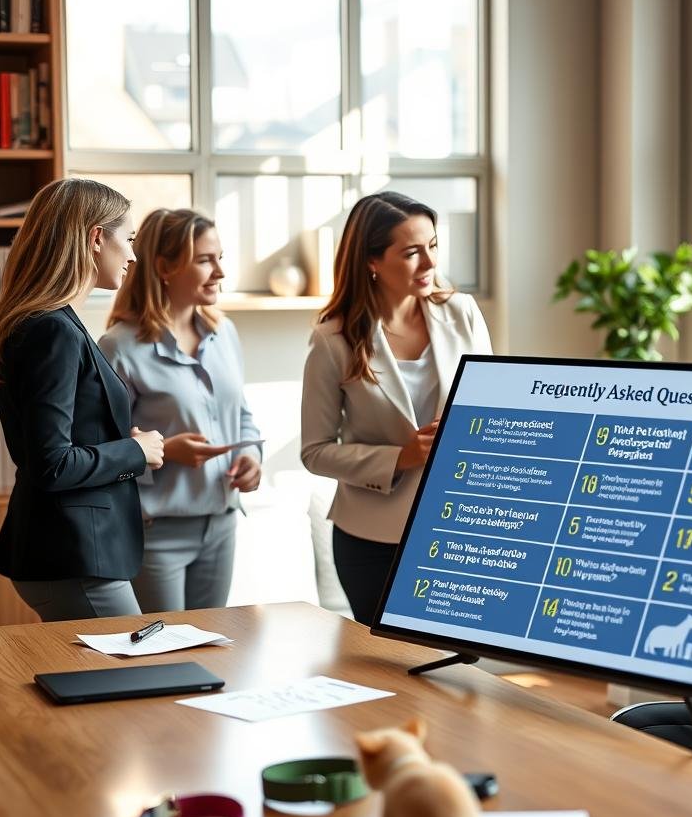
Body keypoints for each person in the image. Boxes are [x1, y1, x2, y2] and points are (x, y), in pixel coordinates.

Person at [0, 178, 165, 620]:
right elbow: (51, 462)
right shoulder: (53, 330)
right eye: (130, 239)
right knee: (129, 682)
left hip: (67, 551)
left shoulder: (44, 323)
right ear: (97, 237)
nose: (134, 255)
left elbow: (62, 436)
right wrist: (133, 451)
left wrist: (119, 440)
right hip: (74, 555)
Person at [301, 191, 493, 625]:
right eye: (411, 252)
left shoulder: (462, 313)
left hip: (460, 530)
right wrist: (400, 458)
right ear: (372, 260)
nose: (429, 264)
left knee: (461, 670)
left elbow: (492, 413)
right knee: (394, 675)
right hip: (372, 541)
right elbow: (314, 451)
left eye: (433, 246)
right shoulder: (334, 338)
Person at [99, 209, 262, 612]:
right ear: (164, 267)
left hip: (222, 523)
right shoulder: (119, 347)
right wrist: (168, 451)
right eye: (206, 260)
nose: (220, 272)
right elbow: (103, 450)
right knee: (164, 659)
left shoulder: (223, 332)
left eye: (219, 257)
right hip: (157, 534)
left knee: (213, 651)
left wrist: (252, 457)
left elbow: (241, 414)